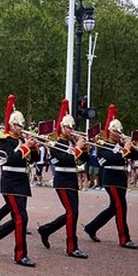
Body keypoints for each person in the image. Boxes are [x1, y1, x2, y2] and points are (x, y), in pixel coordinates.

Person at [0, 95, 40, 267]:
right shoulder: (3, 140)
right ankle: (20, 255)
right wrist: (25, 147)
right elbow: (10, 159)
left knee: (18, 219)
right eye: (17, 125)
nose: (20, 128)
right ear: (11, 125)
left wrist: (34, 148)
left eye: (22, 126)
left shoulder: (21, 140)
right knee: (21, 217)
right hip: (10, 182)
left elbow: (32, 160)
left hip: (22, 182)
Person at [37, 99, 89, 259]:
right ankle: (71, 247)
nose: (71, 130)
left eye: (72, 127)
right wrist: (77, 148)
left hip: (72, 179)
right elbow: (64, 159)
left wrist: (84, 149)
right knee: (72, 212)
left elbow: (82, 160)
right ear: (61, 127)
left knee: (72, 212)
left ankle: (47, 229)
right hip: (61, 180)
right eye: (67, 127)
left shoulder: (71, 142)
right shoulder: (55, 142)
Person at [84, 105, 138, 249]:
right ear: (110, 132)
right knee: (121, 207)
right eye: (116, 131)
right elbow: (110, 159)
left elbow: (135, 156)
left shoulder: (120, 144)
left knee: (113, 208)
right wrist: (125, 149)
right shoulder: (103, 144)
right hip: (110, 178)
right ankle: (124, 238)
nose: (119, 134)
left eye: (120, 131)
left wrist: (131, 146)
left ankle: (91, 227)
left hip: (121, 178)